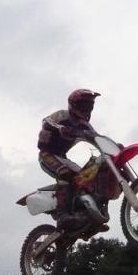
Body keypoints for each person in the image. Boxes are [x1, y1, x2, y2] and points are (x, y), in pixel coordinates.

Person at [37, 89, 107, 231]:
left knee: (86, 178)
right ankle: (62, 215)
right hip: (47, 154)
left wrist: (113, 146)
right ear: (74, 104)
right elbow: (46, 121)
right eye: (84, 105)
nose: (86, 109)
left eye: (89, 106)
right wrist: (60, 128)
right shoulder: (63, 115)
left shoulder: (84, 125)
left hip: (62, 157)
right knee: (65, 173)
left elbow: (97, 138)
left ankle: (83, 213)